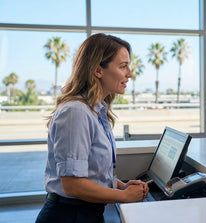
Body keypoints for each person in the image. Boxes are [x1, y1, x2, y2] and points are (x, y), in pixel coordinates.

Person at [36, 33, 149, 223]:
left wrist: (120, 185)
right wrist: (125, 196)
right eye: (123, 66)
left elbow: (90, 173)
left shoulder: (96, 110)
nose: (129, 73)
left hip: (85, 213)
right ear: (98, 70)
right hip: (68, 216)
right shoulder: (76, 112)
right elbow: (73, 185)